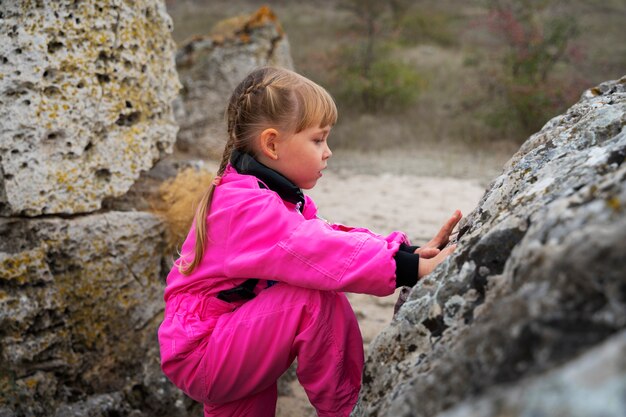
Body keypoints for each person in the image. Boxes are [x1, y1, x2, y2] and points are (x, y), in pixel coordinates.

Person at [158, 66, 461, 417]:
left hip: (227, 334)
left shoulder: (265, 194)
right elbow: (316, 251)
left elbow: (327, 237)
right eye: (318, 140)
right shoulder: (247, 206)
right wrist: (410, 269)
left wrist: (405, 253)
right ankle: (347, 408)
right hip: (206, 350)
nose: (328, 151)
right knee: (313, 300)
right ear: (271, 144)